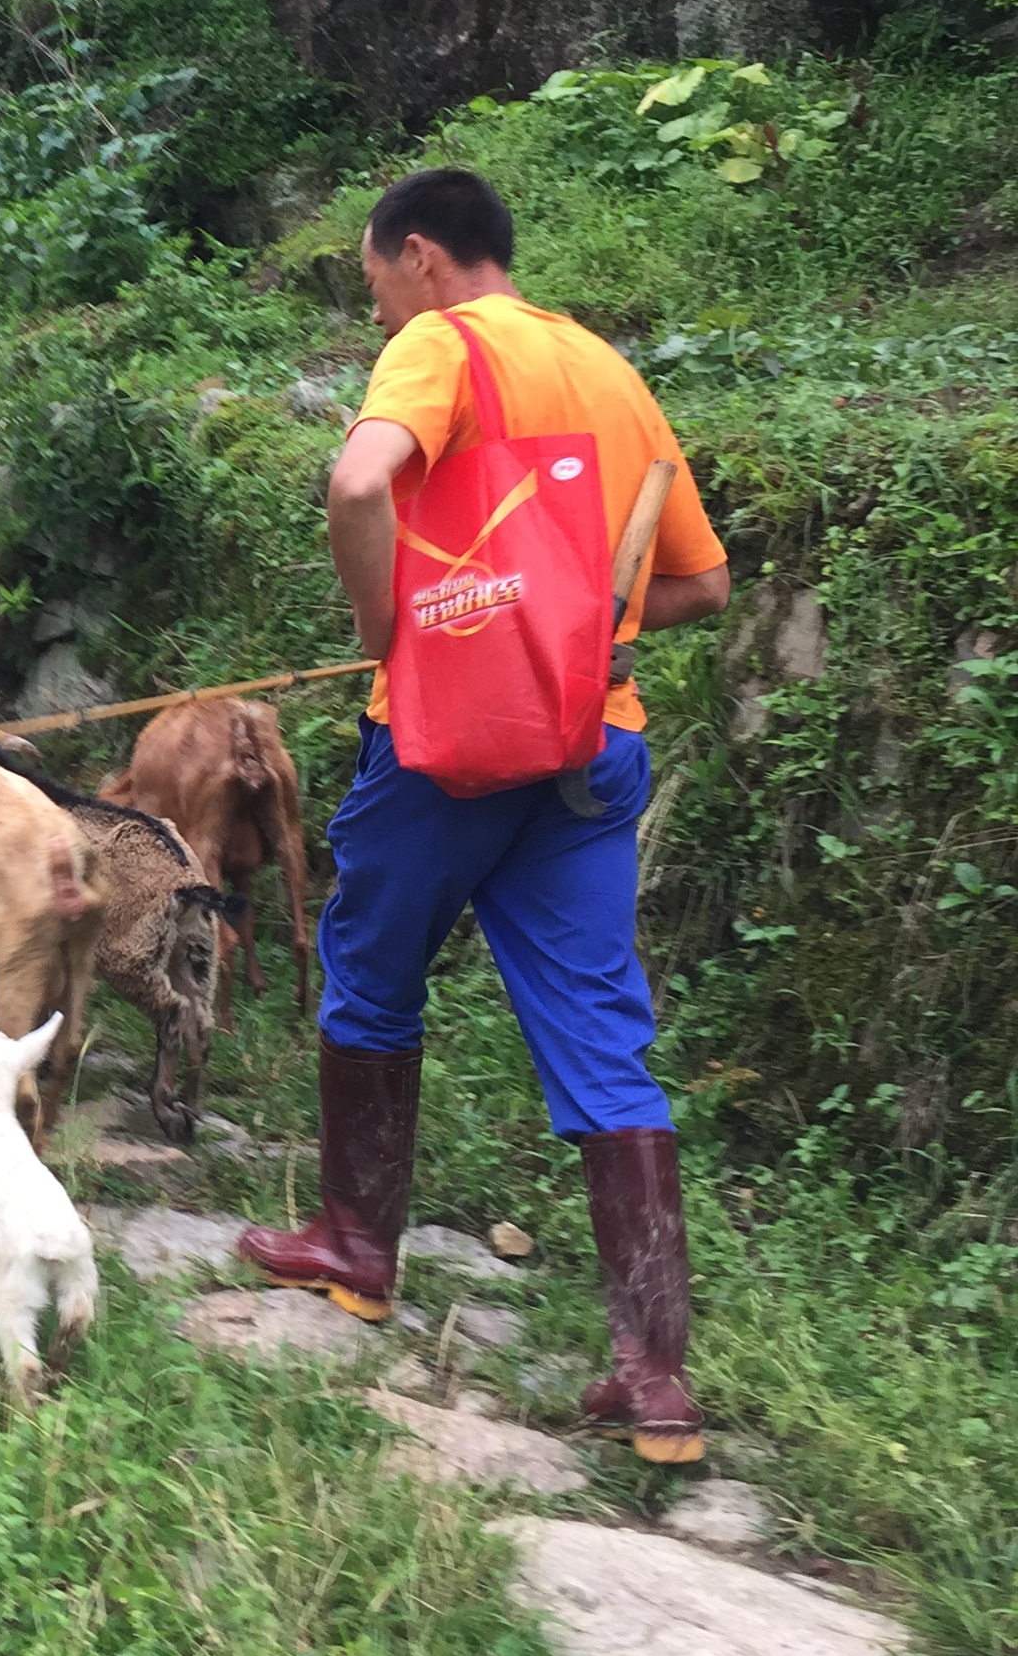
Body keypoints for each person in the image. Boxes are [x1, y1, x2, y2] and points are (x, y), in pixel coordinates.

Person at [238, 167, 731, 1463]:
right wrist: (575, 630)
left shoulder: (443, 349)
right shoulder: (609, 372)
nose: (381, 315)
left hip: (446, 749)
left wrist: (393, 631)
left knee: (369, 973)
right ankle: (656, 1375)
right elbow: (707, 584)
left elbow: (359, 486)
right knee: (603, 1035)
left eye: (377, 289)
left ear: (420, 259)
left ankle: (356, 1250)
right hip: (586, 753)